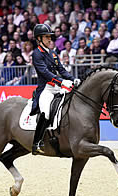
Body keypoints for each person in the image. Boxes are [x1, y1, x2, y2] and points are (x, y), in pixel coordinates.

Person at [30, 24, 80, 155]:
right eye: (46, 37)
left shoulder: (53, 53)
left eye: (49, 37)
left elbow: (61, 70)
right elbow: (45, 73)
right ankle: (37, 143)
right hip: (46, 88)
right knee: (46, 112)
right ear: (39, 39)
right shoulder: (36, 54)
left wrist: (73, 79)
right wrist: (62, 82)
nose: (49, 39)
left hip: (57, 87)